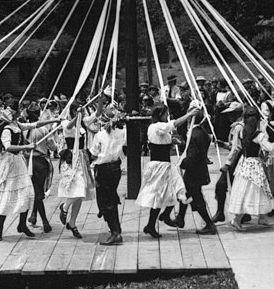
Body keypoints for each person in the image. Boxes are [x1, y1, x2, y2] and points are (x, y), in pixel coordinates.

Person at [135, 103, 198, 238]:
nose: (167, 116)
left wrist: (172, 141)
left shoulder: (158, 128)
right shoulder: (156, 126)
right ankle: (153, 223)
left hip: (165, 166)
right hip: (160, 167)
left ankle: (160, 218)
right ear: (160, 115)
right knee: (162, 195)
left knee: (175, 191)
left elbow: (162, 139)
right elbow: (173, 124)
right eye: (165, 114)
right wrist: (189, 115)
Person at [0, 105, 37, 241]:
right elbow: (8, 147)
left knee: (27, 192)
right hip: (8, 164)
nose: (22, 111)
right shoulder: (7, 129)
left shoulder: (17, 125)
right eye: (19, 109)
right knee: (7, 194)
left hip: (18, 162)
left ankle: (22, 224)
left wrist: (55, 120)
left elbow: (34, 125)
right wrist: (26, 146)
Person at [171, 102, 218, 235]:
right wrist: (183, 144)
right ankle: (180, 218)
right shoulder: (202, 132)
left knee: (196, 198)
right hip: (199, 170)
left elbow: (193, 156)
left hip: (194, 172)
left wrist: (182, 163)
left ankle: (209, 225)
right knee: (186, 193)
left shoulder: (194, 134)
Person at [227, 104, 274, 230]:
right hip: (254, 164)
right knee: (254, 190)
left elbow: (236, 147)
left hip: (244, 163)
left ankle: (263, 218)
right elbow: (269, 147)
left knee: (254, 189)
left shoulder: (242, 131)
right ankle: (237, 219)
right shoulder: (258, 134)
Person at [56, 100, 97, 239]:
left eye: (82, 110)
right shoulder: (65, 122)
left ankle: (72, 223)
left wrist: (102, 100)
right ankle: (64, 207)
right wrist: (77, 117)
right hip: (70, 158)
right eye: (78, 110)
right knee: (78, 187)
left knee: (81, 191)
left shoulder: (83, 122)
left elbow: (98, 113)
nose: (82, 112)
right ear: (73, 111)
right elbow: (69, 126)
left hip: (81, 158)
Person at [88, 103, 127, 245]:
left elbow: (94, 153)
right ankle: (113, 227)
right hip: (115, 168)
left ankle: (116, 232)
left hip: (103, 169)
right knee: (110, 197)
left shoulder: (99, 135)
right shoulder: (122, 132)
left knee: (106, 200)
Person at [22, 104, 60, 233]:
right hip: (40, 162)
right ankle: (45, 221)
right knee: (38, 192)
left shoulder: (23, 129)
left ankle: (33, 215)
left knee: (35, 190)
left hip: (27, 162)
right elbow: (52, 146)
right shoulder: (44, 130)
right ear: (39, 114)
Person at [212, 102, 247, 223]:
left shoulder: (238, 127)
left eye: (231, 114)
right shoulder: (238, 126)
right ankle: (242, 213)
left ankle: (221, 213)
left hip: (237, 160)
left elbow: (236, 148)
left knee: (222, 185)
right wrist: (224, 144)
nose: (229, 117)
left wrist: (227, 164)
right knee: (233, 186)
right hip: (238, 159)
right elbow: (235, 145)